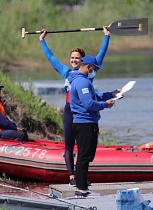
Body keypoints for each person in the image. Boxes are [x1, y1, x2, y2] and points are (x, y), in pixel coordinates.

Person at [39, 26, 110, 186]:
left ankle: (81, 177)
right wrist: (42, 41)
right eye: (72, 58)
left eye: (77, 58)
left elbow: (100, 57)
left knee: (84, 148)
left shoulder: (89, 72)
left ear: (83, 61)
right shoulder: (66, 72)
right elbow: (51, 58)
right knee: (69, 145)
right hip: (69, 111)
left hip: (83, 113)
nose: (73, 60)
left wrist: (106, 37)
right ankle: (72, 177)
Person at [68, 55, 120, 197]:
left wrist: (111, 94)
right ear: (88, 66)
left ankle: (82, 187)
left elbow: (94, 96)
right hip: (85, 123)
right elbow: (89, 104)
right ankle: (82, 189)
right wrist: (106, 105)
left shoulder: (82, 80)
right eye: (94, 68)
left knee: (85, 155)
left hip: (84, 122)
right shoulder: (81, 82)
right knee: (84, 156)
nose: (94, 71)